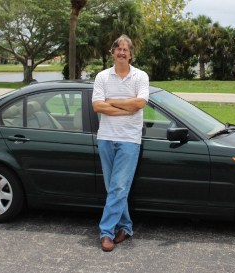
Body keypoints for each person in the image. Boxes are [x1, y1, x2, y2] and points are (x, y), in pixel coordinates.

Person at [92, 34, 149, 252]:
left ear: (131, 54)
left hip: (129, 140)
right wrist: (127, 106)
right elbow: (97, 106)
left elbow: (140, 103)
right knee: (114, 188)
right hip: (106, 137)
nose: (122, 52)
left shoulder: (140, 76)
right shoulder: (102, 77)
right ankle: (125, 226)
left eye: (126, 49)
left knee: (117, 187)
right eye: (118, 49)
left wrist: (112, 102)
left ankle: (106, 232)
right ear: (113, 53)